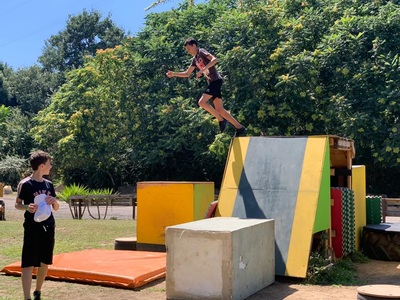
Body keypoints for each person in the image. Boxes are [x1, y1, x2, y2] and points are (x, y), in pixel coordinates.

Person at [166, 38, 246, 137]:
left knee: (201, 102)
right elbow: (187, 74)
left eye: (189, 49)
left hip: (216, 81)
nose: (188, 51)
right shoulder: (194, 60)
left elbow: (214, 60)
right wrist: (173, 74)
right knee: (220, 110)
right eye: (187, 50)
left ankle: (221, 119)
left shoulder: (202, 52)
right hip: (212, 83)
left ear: (194, 45)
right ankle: (239, 127)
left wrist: (203, 69)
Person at [15, 150, 59, 300]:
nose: (50, 166)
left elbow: (56, 208)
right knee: (28, 263)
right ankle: (26, 297)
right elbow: (17, 205)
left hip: (48, 226)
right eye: (49, 164)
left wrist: (54, 201)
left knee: (44, 261)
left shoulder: (49, 185)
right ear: (41, 166)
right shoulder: (25, 184)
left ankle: (38, 291)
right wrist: (28, 207)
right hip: (32, 228)